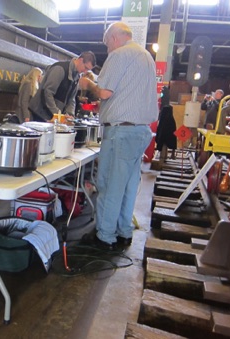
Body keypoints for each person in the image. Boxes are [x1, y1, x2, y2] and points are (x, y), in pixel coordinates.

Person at [78, 22, 158, 250]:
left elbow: (104, 92)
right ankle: (123, 232)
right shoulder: (146, 56)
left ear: (113, 38)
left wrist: (88, 83)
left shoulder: (119, 54)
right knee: (128, 185)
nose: (107, 50)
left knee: (109, 184)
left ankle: (105, 237)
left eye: (106, 45)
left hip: (121, 131)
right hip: (141, 130)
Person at [28, 51, 96, 122]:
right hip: (40, 113)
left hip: (54, 115)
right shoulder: (60, 69)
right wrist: (58, 114)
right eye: (85, 67)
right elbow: (47, 92)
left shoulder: (76, 76)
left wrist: (70, 114)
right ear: (81, 60)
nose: (85, 72)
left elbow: (71, 99)